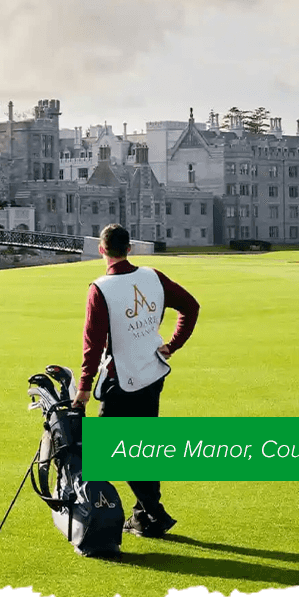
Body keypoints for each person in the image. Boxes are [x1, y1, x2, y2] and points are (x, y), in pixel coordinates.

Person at [72, 224, 199, 539]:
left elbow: (93, 344)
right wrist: (172, 344)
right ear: (129, 248)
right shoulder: (152, 276)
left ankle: (153, 513)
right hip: (152, 373)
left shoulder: (100, 288)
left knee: (107, 448)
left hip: (122, 379)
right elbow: (191, 307)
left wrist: (85, 387)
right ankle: (144, 517)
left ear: (102, 250)